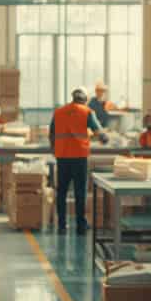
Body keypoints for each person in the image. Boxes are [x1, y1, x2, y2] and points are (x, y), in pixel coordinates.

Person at [50, 89, 104, 234]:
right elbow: (100, 133)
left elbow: (52, 134)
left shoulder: (59, 112)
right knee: (80, 192)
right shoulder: (87, 112)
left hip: (62, 157)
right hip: (79, 157)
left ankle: (61, 225)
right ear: (85, 100)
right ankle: (80, 225)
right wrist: (105, 138)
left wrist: (56, 151)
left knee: (62, 191)